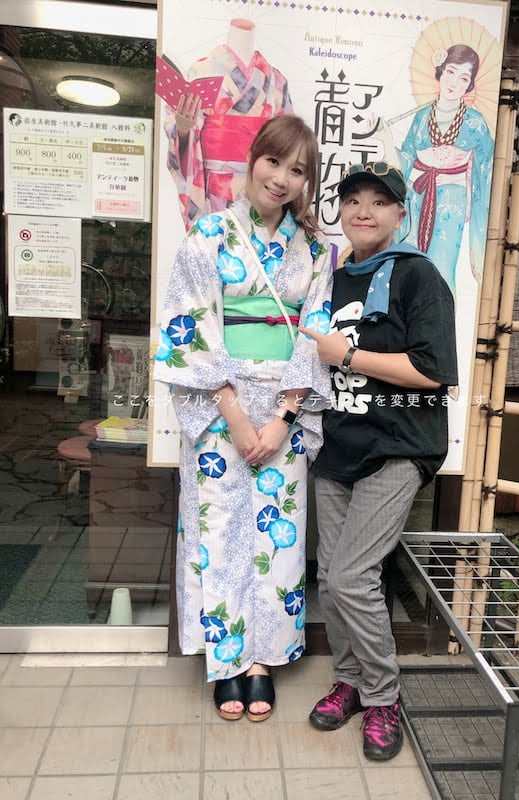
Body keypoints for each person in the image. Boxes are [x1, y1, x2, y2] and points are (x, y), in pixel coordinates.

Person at [154, 115, 331, 723]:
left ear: (307, 182)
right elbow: (190, 325)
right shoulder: (209, 235)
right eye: (273, 162)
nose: (281, 179)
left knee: (279, 540)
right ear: (253, 159)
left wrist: (284, 418)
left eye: (297, 170)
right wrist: (232, 414)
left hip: (286, 406)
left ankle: (262, 660)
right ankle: (227, 659)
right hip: (218, 403)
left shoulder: (315, 251)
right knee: (220, 531)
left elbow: (314, 333)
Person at [300, 161, 457, 760]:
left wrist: (347, 355)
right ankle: (350, 681)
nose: (363, 211)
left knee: (351, 576)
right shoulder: (333, 278)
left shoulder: (418, 276)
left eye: (379, 201)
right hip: (339, 444)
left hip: (398, 445)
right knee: (331, 579)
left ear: (399, 213)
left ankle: (384, 696)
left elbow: (433, 372)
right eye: (353, 200)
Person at [164, 19, 293, 231]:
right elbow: (182, 141)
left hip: (262, 189)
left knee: (259, 243)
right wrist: (184, 129)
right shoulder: (201, 70)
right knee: (214, 240)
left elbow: (288, 143)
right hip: (213, 188)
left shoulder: (277, 80)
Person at [386, 44, 493, 296]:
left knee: (442, 266)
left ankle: (440, 318)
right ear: (441, 72)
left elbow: (488, 169)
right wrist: (385, 139)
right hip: (417, 194)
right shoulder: (422, 116)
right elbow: (406, 160)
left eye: (464, 78)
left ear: (469, 85)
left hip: (451, 200)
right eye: (451, 72)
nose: (454, 82)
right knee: (407, 262)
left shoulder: (475, 122)